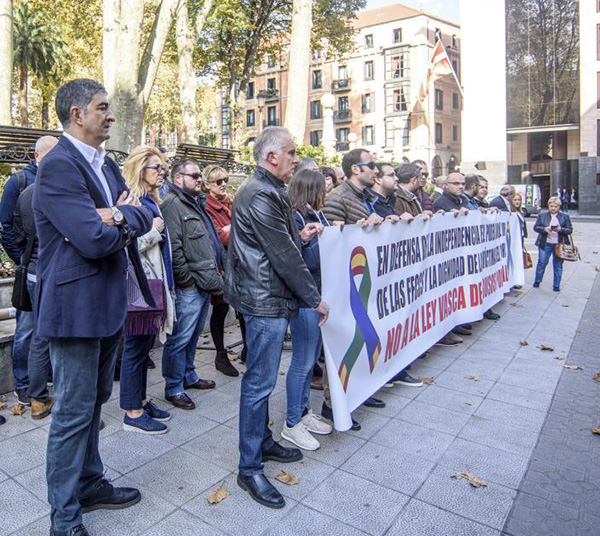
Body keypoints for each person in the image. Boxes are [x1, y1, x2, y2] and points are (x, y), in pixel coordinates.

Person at [34, 79, 154, 536]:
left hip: (108, 304)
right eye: (103, 108)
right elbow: (94, 238)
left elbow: (138, 211)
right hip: (74, 310)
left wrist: (120, 214)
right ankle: (63, 518)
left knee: (95, 402)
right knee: (72, 412)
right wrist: (121, 216)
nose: (111, 115)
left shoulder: (105, 165)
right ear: (77, 114)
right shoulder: (60, 166)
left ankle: (90, 482)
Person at [225, 127, 329, 508]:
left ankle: (264, 443)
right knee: (259, 383)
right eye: (290, 152)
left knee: (262, 382)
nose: (296, 158)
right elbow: (282, 255)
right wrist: (314, 298)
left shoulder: (266, 189)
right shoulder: (261, 193)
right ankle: (249, 468)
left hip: (266, 296)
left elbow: (281, 243)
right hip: (264, 301)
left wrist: (299, 238)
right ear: (271, 157)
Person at [321, 148, 387, 412]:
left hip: (362, 283)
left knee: (363, 337)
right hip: (344, 286)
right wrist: (360, 228)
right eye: (371, 166)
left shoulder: (365, 196)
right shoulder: (337, 198)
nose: (376, 171)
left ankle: (360, 389)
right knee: (344, 342)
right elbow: (332, 240)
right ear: (355, 169)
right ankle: (332, 401)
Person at [120, 146, 174, 435]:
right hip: (138, 286)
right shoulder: (132, 201)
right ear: (141, 169)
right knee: (135, 348)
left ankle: (140, 400)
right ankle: (132, 412)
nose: (162, 172)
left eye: (163, 167)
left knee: (143, 348)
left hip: (152, 283)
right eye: (157, 167)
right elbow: (124, 245)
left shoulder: (150, 200)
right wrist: (153, 230)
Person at [160, 160, 223, 410]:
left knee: (194, 335)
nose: (200, 179)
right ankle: (173, 387)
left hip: (205, 283)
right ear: (178, 179)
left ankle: (189, 375)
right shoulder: (172, 205)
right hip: (191, 286)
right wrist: (186, 282)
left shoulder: (195, 203)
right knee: (180, 338)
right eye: (194, 175)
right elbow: (173, 248)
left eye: (200, 175)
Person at [0, 135, 57, 406]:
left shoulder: (61, 183)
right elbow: (6, 226)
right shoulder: (19, 182)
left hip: (50, 270)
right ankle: (22, 384)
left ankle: (40, 378)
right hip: (32, 271)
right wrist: (22, 259)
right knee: (26, 330)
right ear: (37, 156)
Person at [282, 168, 333, 451]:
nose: (326, 193)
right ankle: (292, 422)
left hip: (317, 295)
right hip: (304, 299)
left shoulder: (316, 215)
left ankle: (303, 412)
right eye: (322, 189)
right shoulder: (296, 218)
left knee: (311, 358)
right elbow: (303, 262)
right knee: (302, 362)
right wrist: (316, 241)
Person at [203, 164, 246, 375]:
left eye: (225, 180)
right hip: (221, 265)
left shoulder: (231, 202)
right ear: (208, 185)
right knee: (220, 309)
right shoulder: (207, 207)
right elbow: (219, 236)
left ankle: (247, 349)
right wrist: (237, 230)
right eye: (218, 181)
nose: (223, 184)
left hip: (239, 263)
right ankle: (221, 355)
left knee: (244, 308)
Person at [533, 196, 573, 292]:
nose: (553, 208)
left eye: (555, 206)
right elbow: (536, 227)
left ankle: (556, 285)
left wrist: (561, 229)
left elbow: (569, 230)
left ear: (559, 207)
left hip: (559, 245)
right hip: (545, 243)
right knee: (542, 263)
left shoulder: (565, 216)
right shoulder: (542, 216)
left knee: (558, 265)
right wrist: (544, 229)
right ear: (548, 206)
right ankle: (537, 281)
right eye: (551, 206)